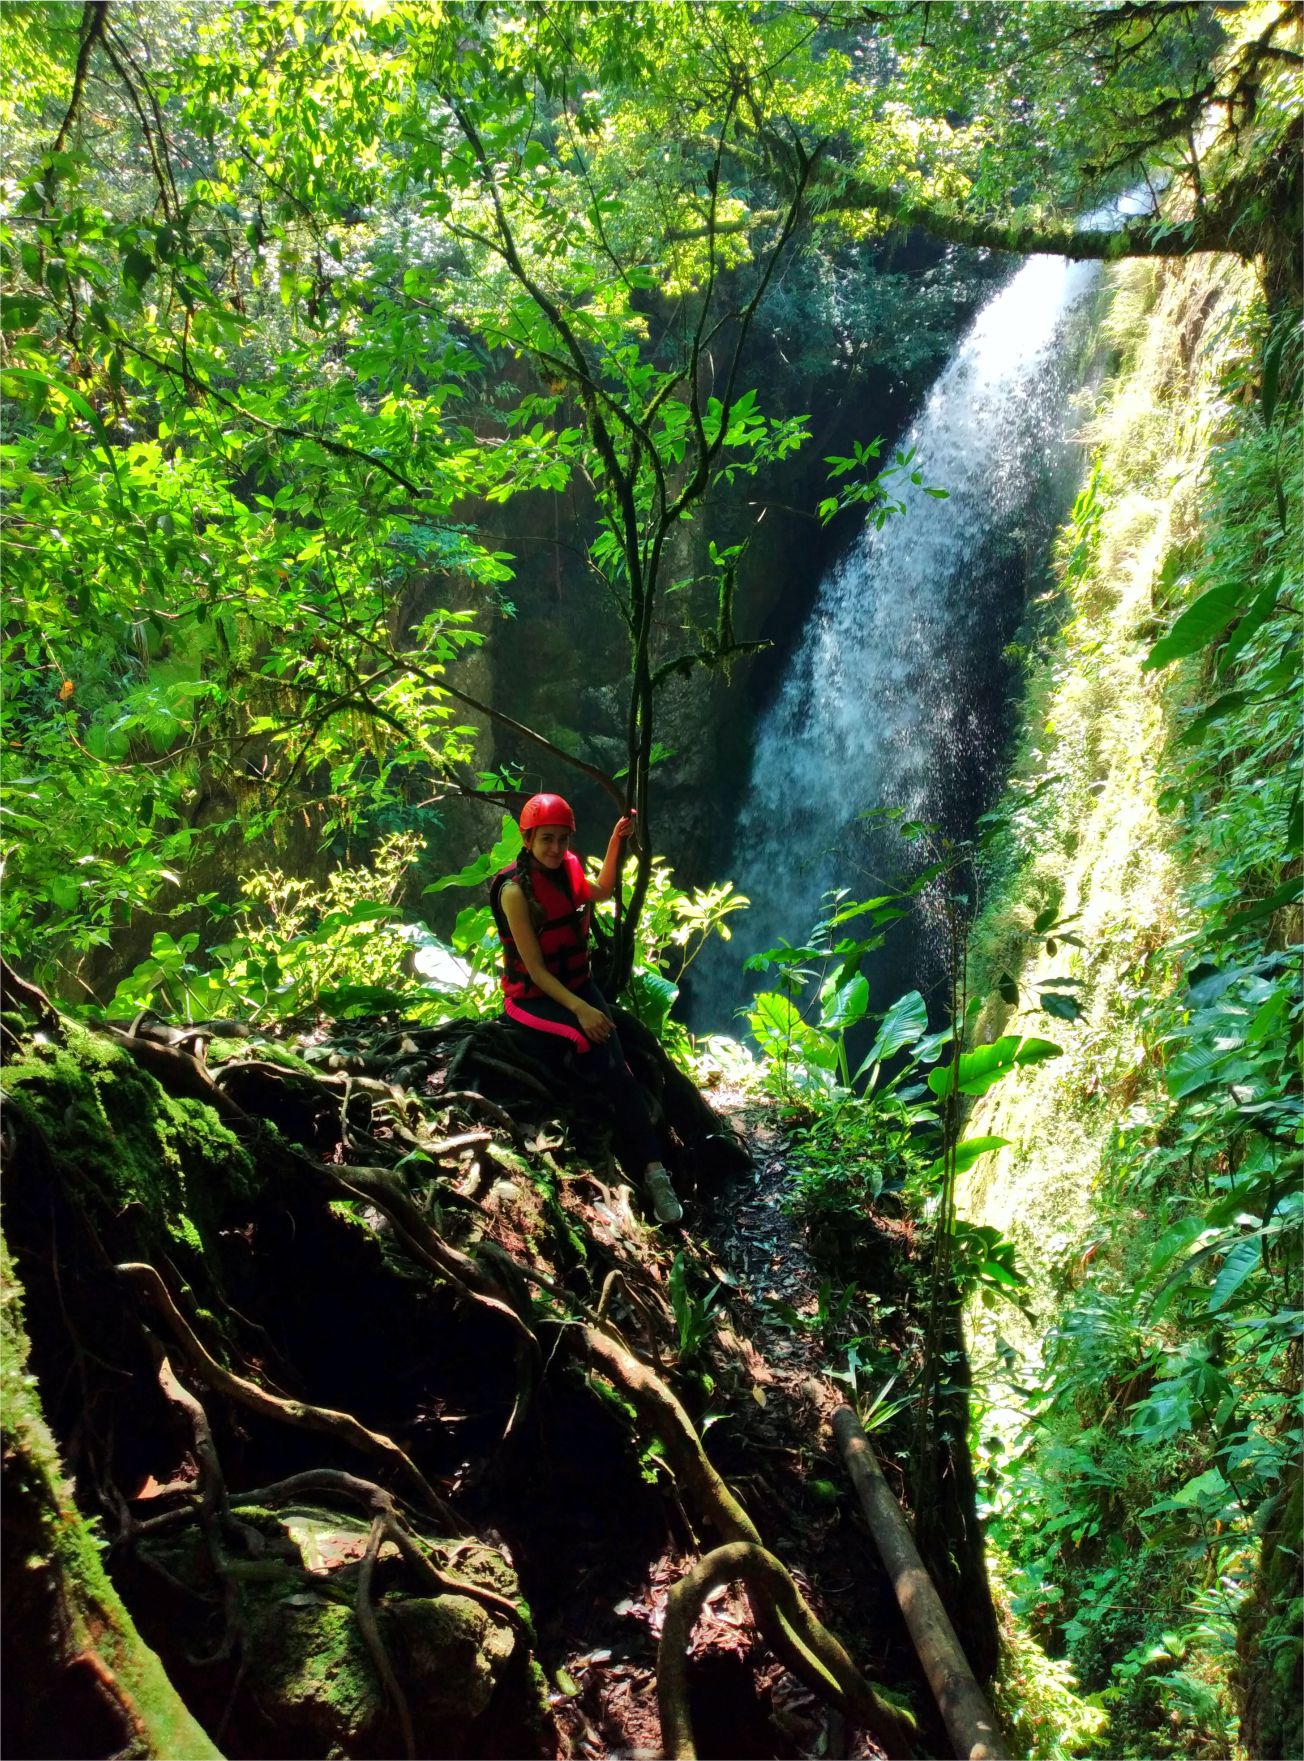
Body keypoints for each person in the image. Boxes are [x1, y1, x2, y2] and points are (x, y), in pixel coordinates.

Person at [488, 792, 683, 1225]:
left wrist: (616, 841)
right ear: (527, 839)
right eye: (546, 839)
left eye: (563, 839)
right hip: (531, 997)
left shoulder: (568, 870)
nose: (556, 848)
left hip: (577, 983)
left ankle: (655, 1172)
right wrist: (582, 1009)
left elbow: (603, 889)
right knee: (585, 1038)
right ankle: (582, 1134)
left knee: (619, 1066)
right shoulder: (515, 892)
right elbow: (536, 971)